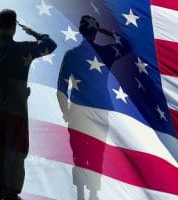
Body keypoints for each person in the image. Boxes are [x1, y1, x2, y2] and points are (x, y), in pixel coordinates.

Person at [0, 9, 57, 200]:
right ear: (14, 28)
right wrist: (33, 32)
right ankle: (11, 193)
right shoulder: (23, 49)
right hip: (16, 113)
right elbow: (51, 45)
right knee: (16, 152)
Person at [57, 15, 130, 200]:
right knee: (97, 152)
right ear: (95, 32)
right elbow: (126, 46)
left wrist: (65, 112)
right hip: (100, 111)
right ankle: (93, 194)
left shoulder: (71, 55)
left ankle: (81, 193)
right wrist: (109, 33)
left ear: (80, 31)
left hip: (78, 112)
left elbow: (61, 88)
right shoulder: (106, 53)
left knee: (79, 152)